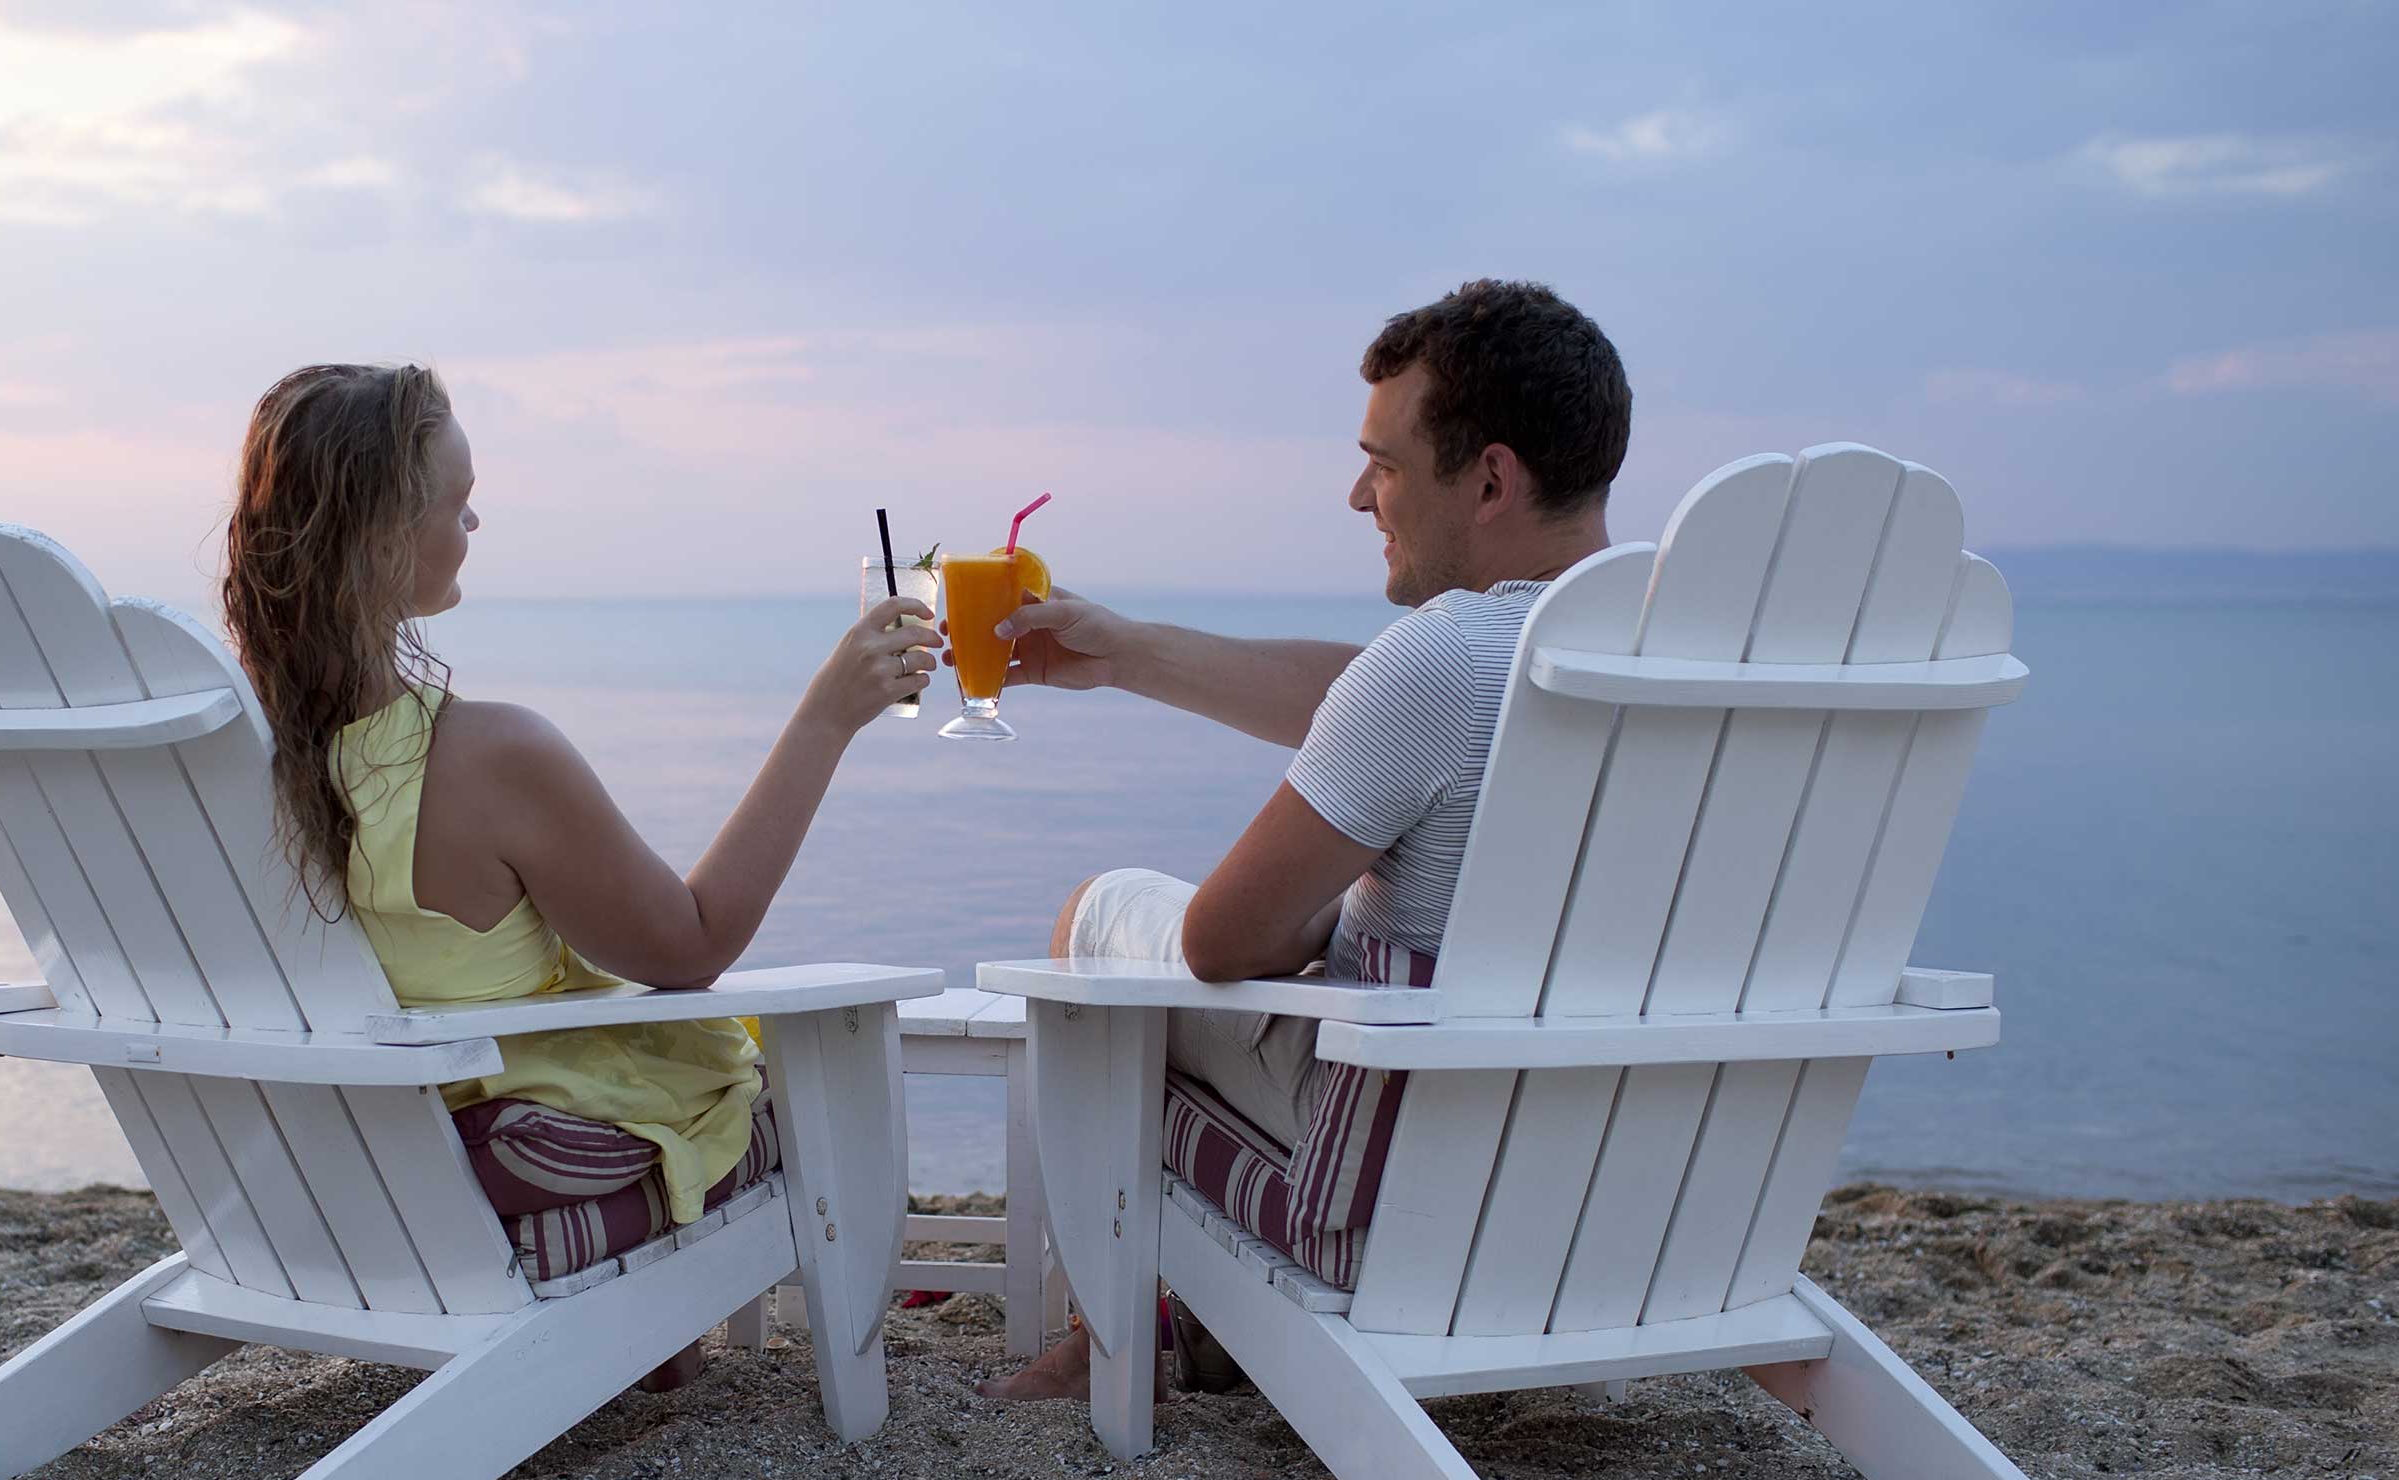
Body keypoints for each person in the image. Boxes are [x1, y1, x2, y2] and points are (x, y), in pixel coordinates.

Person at [966, 279, 1632, 1399]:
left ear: (1487, 478)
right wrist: (1130, 652)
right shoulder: (1685, 656)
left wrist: (1338, 893)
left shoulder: (1446, 658)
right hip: (1628, 1211)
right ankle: (1204, 1329)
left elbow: (1226, 944)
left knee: (1104, 916)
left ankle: (1113, 1339)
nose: (1356, 494)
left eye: (1381, 461)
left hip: (1394, 1207)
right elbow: (1381, 705)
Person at [221, 362, 939, 1390]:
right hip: (484, 1159)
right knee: (815, 1058)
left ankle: (646, 1344)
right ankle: (838, 1390)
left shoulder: (234, 764)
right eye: (458, 505)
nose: (475, 525)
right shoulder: (485, 754)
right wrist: (827, 716)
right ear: (384, 534)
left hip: (313, 1163)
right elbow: (689, 947)